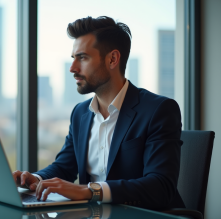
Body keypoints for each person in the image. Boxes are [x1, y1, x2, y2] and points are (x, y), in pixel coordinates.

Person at [12, 16, 185, 210]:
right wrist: (35, 178)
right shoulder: (80, 113)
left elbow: (160, 186)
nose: (73, 68)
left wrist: (91, 191)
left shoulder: (158, 110)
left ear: (112, 59)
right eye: (73, 58)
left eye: (83, 58)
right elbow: (64, 166)